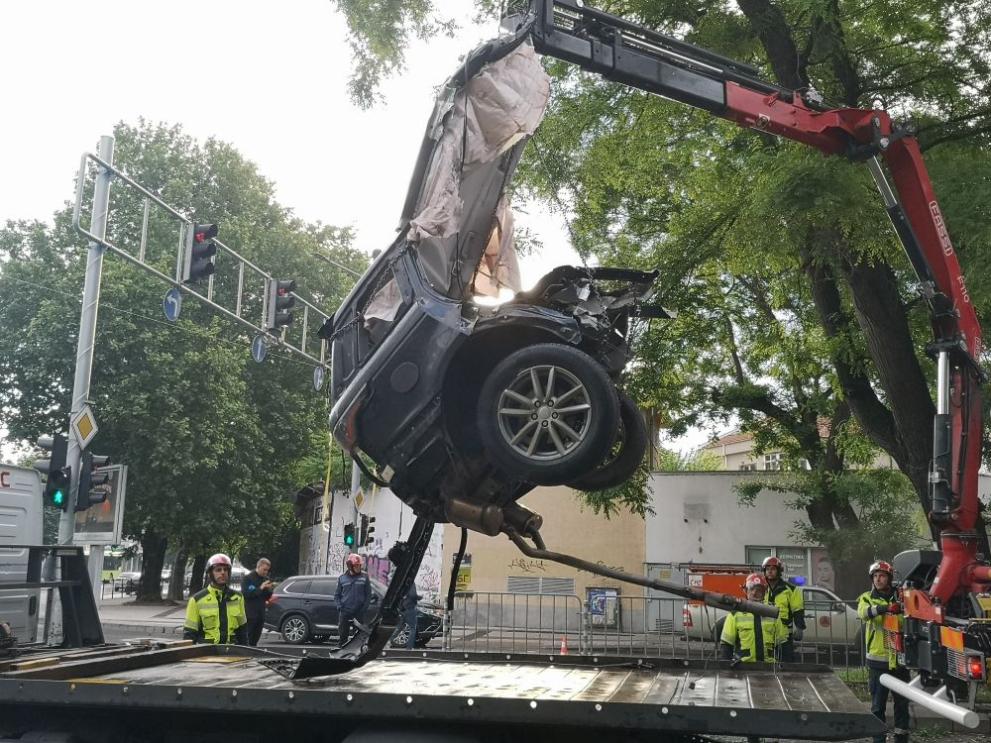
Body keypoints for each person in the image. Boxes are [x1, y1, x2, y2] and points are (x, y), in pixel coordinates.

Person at [858, 560, 910, 743]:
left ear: (889, 578)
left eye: (882, 576)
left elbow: (910, 620)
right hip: (878, 660)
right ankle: (878, 739)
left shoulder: (903, 597)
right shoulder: (866, 597)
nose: (878, 579)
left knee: (902, 703)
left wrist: (901, 607)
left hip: (900, 660)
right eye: (875, 576)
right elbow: (863, 613)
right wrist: (885, 608)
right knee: (878, 706)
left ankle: (901, 737)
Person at [720, 573, 786, 663]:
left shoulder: (772, 614)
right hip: (742, 667)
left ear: (764, 593)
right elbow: (726, 645)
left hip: (769, 668)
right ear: (746, 591)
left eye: (758, 590)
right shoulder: (735, 614)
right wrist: (726, 671)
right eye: (752, 589)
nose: (754, 593)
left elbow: (783, 646)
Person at [183, 553, 248, 645]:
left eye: (226, 570)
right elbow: (189, 634)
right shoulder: (197, 600)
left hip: (232, 652)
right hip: (206, 653)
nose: (223, 572)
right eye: (218, 570)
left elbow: (243, 631)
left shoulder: (238, 597)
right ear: (210, 574)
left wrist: (245, 653)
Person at [762, 556, 806, 662]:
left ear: (779, 571)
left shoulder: (791, 590)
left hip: (784, 635)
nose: (770, 572)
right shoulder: (762, 589)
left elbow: (798, 610)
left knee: (786, 663)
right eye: (767, 569)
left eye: (773, 569)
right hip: (765, 634)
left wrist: (799, 628)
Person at [388, 542, 422, 650]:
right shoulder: (407, 574)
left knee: (400, 626)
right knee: (412, 628)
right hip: (409, 606)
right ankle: (409, 649)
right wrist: (417, 597)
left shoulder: (397, 572)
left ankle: (387, 643)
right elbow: (411, 593)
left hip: (400, 606)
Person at [335, 553, 371, 647]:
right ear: (350, 566)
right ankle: (341, 654)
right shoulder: (342, 578)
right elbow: (337, 595)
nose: (359, 567)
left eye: (360, 565)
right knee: (343, 636)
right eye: (357, 565)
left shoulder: (364, 577)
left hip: (359, 612)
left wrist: (364, 608)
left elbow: (368, 595)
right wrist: (340, 607)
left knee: (358, 637)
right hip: (345, 611)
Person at [241, 557, 275, 646]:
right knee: (247, 638)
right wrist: (260, 588)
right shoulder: (247, 578)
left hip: (261, 614)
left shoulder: (265, 579)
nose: (265, 572)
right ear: (258, 566)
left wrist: (270, 590)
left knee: (255, 639)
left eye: (267, 570)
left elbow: (267, 597)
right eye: (264, 570)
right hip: (250, 614)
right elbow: (246, 594)